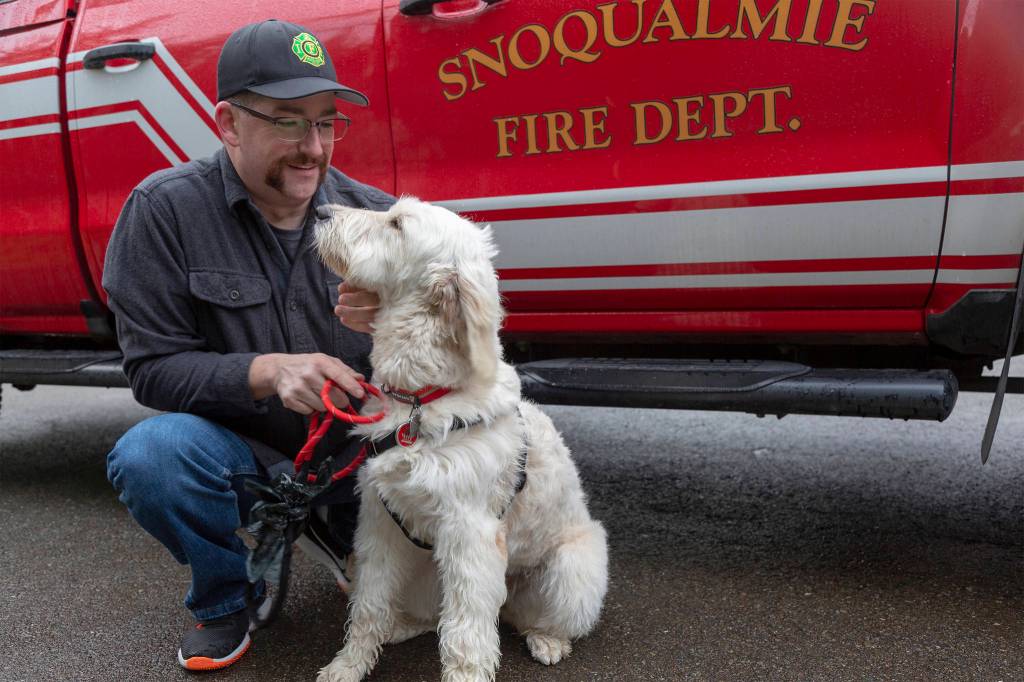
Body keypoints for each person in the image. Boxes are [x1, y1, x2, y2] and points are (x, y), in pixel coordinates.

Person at [102, 19, 392, 671]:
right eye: (289, 121)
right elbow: (151, 371)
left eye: (326, 122)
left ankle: (335, 529)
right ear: (228, 123)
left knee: (496, 453)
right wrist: (264, 372)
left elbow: (467, 359)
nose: (313, 148)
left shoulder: (378, 220)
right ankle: (231, 592)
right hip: (249, 457)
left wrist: (404, 323)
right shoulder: (162, 213)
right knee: (151, 456)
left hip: (361, 458)